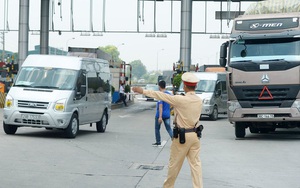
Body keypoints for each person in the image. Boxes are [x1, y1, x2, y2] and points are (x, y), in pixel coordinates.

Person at [132, 72, 203, 188]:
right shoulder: (198, 100)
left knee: (174, 166)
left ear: (185, 85)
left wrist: (143, 91)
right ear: (195, 86)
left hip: (182, 138)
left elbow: (161, 95)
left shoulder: (181, 99)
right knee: (196, 166)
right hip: (195, 136)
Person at [152, 80, 173, 146]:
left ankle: (158, 141)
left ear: (159, 86)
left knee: (157, 129)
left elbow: (160, 106)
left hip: (159, 115)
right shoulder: (169, 94)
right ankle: (174, 141)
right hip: (167, 114)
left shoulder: (160, 95)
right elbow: (172, 104)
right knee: (169, 128)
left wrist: (160, 117)